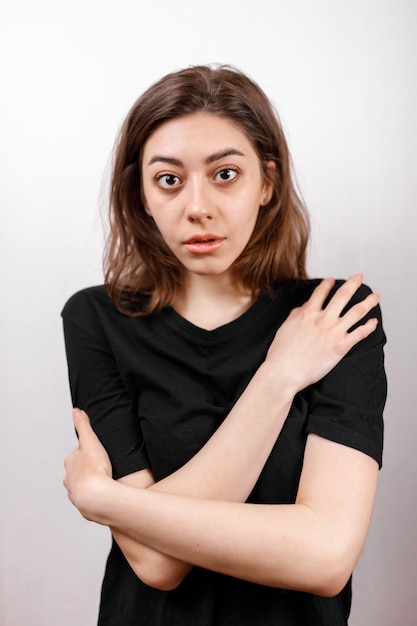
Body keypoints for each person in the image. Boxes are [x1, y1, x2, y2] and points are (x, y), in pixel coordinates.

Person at [62, 65, 387, 626]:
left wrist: (107, 502)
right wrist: (280, 375)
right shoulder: (96, 318)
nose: (198, 207)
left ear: (267, 182)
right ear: (139, 193)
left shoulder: (333, 317)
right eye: (169, 179)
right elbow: (156, 564)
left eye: (225, 174)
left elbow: (326, 556)